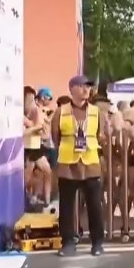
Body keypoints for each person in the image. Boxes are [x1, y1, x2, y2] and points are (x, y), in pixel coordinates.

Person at [51, 75, 106, 256]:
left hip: (90, 163)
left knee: (95, 206)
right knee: (66, 207)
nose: (86, 90)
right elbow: (55, 137)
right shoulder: (61, 112)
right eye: (82, 86)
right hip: (68, 165)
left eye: (88, 87)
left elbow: (101, 135)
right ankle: (67, 242)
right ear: (72, 89)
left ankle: (97, 242)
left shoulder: (96, 112)